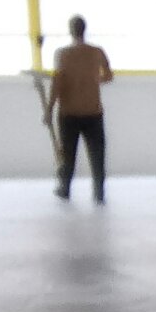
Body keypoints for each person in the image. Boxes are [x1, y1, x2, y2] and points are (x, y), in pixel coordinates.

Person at [49, 16, 112, 202]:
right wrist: (92, 81)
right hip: (93, 110)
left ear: (70, 30)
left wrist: (49, 109)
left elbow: (57, 82)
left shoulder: (62, 54)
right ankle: (99, 192)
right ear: (85, 29)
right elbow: (108, 76)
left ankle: (65, 188)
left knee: (67, 154)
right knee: (97, 153)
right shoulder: (97, 52)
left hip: (69, 111)